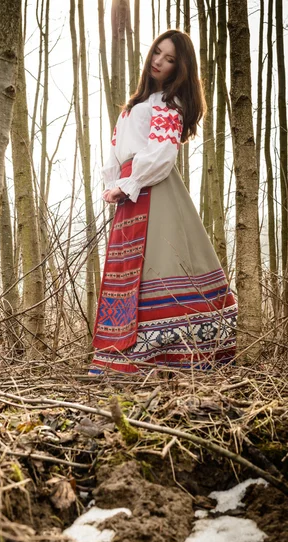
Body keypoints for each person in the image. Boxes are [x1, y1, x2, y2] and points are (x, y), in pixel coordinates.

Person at [90, 30, 237, 375]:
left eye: (169, 59)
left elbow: (162, 154)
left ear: (179, 67)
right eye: (158, 52)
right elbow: (115, 153)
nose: (159, 61)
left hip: (154, 190)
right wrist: (115, 185)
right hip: (129, 192)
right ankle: (121, 358)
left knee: (161, 263)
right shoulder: (134, 105)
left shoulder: (168, 104)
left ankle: (169, 355)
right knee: (128, 271)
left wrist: (129, 185)